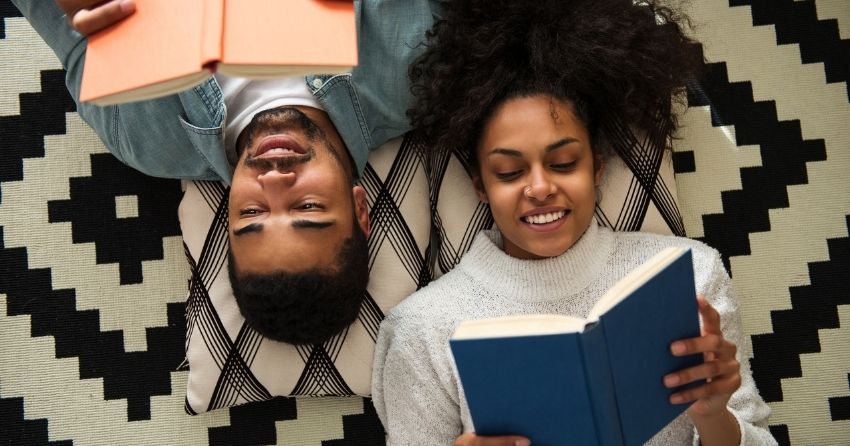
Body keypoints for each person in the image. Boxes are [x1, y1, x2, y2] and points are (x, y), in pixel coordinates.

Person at [372, 0, 778, 445]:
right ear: (480, 186)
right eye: (509, 172)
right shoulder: (423, 331)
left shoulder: (690, 278)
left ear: (597, 169)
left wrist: (715, 415)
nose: (540, 187)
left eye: (564, 162)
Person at [13, 0, 443, 344]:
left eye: (252, 215)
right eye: (307, 206)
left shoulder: (143, 137)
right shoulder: (420, 73)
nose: (274, 180)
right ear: (359, 208)